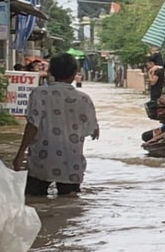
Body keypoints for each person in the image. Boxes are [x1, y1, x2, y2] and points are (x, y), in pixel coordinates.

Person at [13, 52, 100, 197]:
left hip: (42, 160)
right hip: (71, 163)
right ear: (74, 73)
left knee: (34, 201)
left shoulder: (39, 93)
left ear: (50, 71)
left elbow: (32, 125)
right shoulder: (84, 99)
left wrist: (21, 153)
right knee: (69, 205)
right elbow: (92, 131)